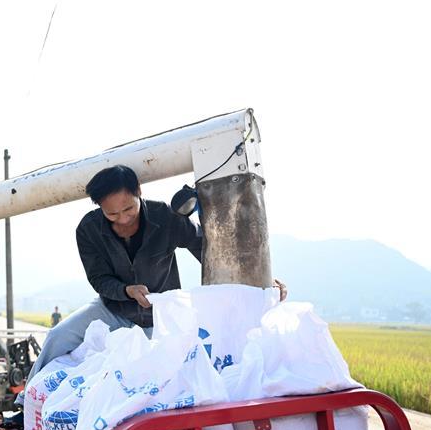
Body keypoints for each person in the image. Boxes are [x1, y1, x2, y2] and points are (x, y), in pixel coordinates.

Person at [25, 164, 286, 387]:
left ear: (139, 191)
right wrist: (126, 291)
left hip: (161, 317)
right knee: (57, 337)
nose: (123, 219)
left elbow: (210, 251)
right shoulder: (88, 229)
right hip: (112, 309)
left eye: (128, 209)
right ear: (99, 208)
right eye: (112, 214)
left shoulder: (166, 217)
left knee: (159, 375)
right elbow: (99, 278)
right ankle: (26, 402)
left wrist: (256, 281)